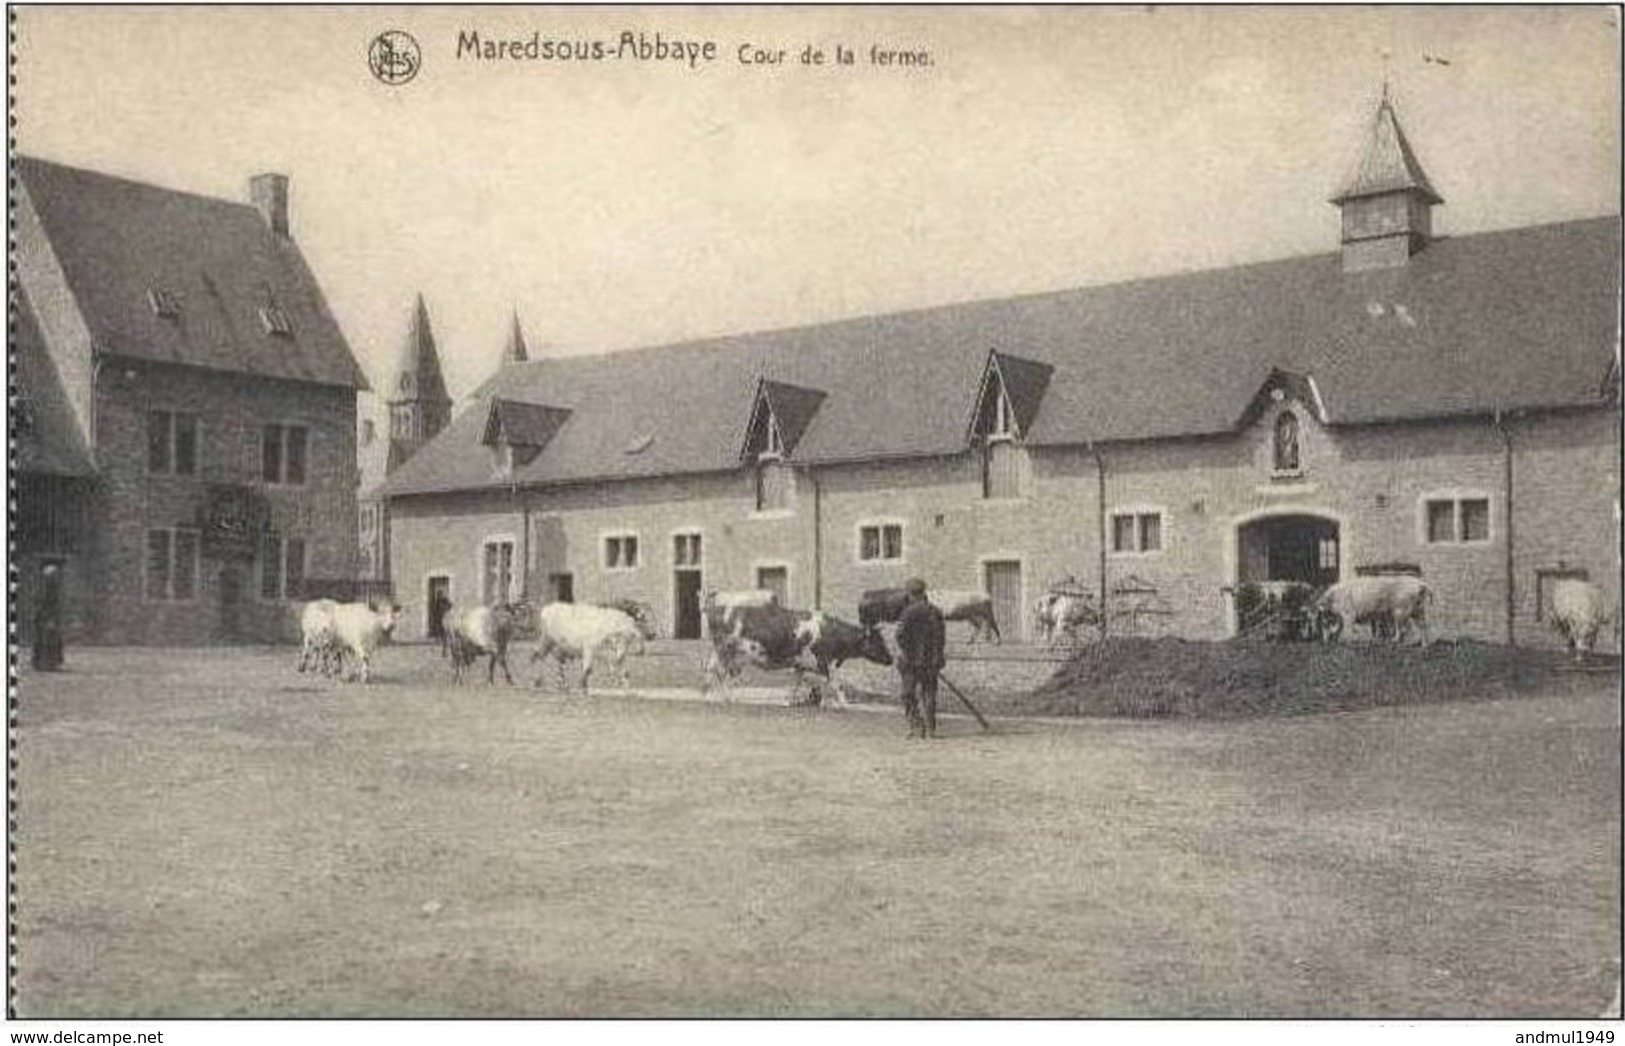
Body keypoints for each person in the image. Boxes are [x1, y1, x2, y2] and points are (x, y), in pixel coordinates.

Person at [895, 577, 946, 739]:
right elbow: (941, 638)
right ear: (924, 592)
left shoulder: (907, 613)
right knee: (929, 694)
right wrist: (937, 657)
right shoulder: (935, 611)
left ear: (910, 594)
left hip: (910, 663)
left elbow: (900, 636)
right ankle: (931, 729)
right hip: (931, 662)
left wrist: (906, 653)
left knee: (908, 694)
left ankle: (916, 726)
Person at [32, 563, 65, 671]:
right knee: (44, 640)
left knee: (52, 640)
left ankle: (51, 662)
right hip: (45, 617)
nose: (55, 578)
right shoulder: (43, 589)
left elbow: (55, 603)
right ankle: (43, 663)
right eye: (53, 576)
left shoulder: (53, 589)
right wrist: (48, 618)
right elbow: (43, 603)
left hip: (50, 617)